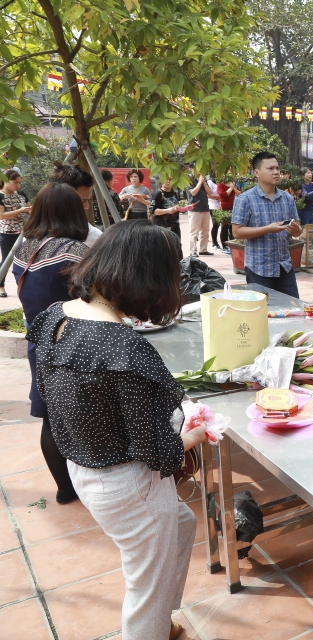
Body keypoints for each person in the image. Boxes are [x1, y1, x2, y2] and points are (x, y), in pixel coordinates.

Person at [26, 220, 207, 640]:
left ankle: (160, 621)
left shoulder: (57, 316)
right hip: (127, 484)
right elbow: (157, 451)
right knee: (146, 589)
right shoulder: (122, 347)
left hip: (85, 469)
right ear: (147, 279)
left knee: (181, 525)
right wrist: (192, 437)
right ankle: (151, 628)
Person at [11, 183, 89, 503]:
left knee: (51, 418)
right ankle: (93, 483)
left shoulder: (23, 248)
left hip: (39, 343)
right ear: (72, 211)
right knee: (87, 415)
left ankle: (64, 488)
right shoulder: (74, 250)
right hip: (76, 343)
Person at [231, 152, 303, 298]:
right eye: (270, 169)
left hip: (284, 266)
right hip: (259, 268)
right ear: (257, 173)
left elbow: (297, 231)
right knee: (262, 314)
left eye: (277, 168)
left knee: (292, 310)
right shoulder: (245, 199)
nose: (276, 172)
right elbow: (237, 232)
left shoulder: (287, 198)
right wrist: (267, 229)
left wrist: (296, 230)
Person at [47, 163, 103, 247]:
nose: (87, 206)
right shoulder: (33, 236)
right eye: (83, 201)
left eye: (88, 200)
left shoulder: (93, 236)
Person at [0, 168, 30, 298]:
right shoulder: (1, 196)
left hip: (24, 232)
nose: (18, 185)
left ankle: (26, 286)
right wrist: (20, 210)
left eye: (19, 182)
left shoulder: (22, 194)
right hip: (7, 233)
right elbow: (1, 216)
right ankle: (1, 287)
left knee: (27, 260)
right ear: (5, 181)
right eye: (15, 182)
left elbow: (29, 209)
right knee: (7, 260)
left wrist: (30, 210)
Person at [187, 171, 215, 257]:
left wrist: (204, 183)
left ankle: (203, 249)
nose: (200, 171)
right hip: (195, 209)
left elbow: (210, 193)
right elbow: (193, 192)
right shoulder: (189, 179)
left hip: (205, 208)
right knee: (194, 231)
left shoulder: (203, 180)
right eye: (198, 169)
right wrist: (199, 182)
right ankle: (192, 250)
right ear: (192, 169)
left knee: (205, 231)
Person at [216, 177, 239, 253]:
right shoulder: (220, 184)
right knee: (225, 228)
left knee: (232, 228)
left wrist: (233, 187)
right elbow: (222, 195)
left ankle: (233, 245)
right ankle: (224, 246)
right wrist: (230, 188)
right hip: (224, 209)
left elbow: (239, 193)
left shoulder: (233, 183)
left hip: (233, 209)